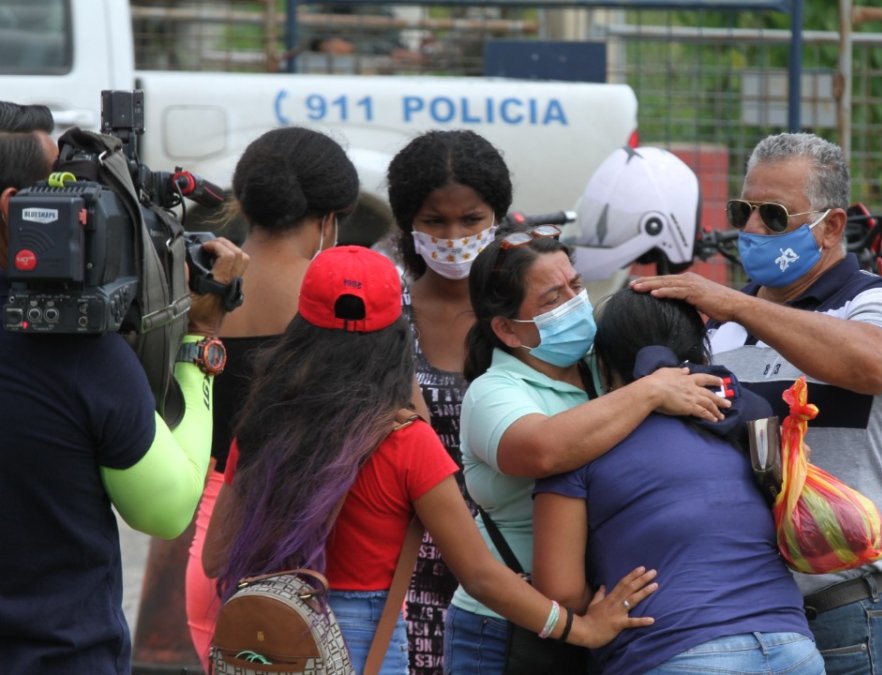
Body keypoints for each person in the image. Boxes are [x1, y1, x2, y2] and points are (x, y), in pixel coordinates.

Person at [202, 245, 659, 674]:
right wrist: (579, 629)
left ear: (301, 327)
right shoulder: (405, 442)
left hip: (266, 637)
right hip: (364, 642)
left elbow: (216, 558)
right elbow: (480, 576)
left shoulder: (263, 426)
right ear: (399, 338)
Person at [632, 132, 882, 674]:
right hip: (738, 623)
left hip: (842, 617)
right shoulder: (721, 331)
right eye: (743, 210)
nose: (750, 230)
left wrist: (736, 304)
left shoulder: (876, 301)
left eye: (772, 215)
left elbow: (874, 365)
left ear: (831, 226)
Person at [0, 100, 250, 673]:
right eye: (61, 191)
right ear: (16, 211)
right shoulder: (77, 355)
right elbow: (166, 508)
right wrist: (200, 343)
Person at [445, 225, 730, 673]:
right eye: (552, 300)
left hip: (597, 616)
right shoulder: (493, 392)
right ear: (506, 329)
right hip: (508, 625)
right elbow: (545, 452)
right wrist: (651, 391)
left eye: (575, 286)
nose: (576, 304)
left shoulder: (601, 368)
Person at [532, 288, 826, 674]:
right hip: (791, 647)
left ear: (602, 366)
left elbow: (561, 591)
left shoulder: (577, 445)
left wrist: (603, 610)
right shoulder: (742, 418)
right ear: (701, 352)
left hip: (675, 650)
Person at [183, 126, 358, 662]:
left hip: (213, 538)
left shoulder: (195, 290)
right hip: (311, 554)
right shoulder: (340, 300)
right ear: (327, 219)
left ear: (245, 202)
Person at [385, 128, 509, 674]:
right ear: (409, 224)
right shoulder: (386, 319)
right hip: (406, 571)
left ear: (499, 218)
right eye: (435, 221)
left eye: (471, 219)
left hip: (510, 570)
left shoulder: (528, 319)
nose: (454, 236)